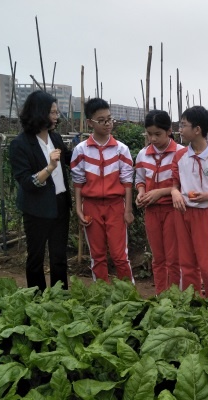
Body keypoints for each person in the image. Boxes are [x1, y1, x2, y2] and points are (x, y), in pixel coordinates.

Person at [9, 90, 72, 292]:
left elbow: (71, 160)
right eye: (52, 112)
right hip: (36, 208)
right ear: (39, 113)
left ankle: (60, 297)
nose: (56, 116)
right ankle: (37, 299)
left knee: (59, 257)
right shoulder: (20, 144)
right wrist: (50, 167)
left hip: (60, 204)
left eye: (56, 112)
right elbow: (27, 182)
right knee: (36, 257)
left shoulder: (55, 138)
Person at [70, 98, 135, 283]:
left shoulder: (121, 149)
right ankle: (101, 293)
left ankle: (128, 293)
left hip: (116, 206)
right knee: (97, 255)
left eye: (109, 119)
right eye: (102, 120)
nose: (108, 124)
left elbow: (127, 181)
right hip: (91, 206)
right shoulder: (80, 150)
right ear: (89, 122)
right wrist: (79, 209)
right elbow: (78, 182)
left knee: (119, 255)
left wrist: (128, 210)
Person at [171, 106, 208, 297]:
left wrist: (206, 196)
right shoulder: (179, 156)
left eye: (183, 125)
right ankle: (191, 301)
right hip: (182, 213)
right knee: (186, 262)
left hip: (204, 215)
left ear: (197, 129)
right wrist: (175, 193)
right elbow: (174, 184)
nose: (180, 129)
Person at [134, 110, 184, 294]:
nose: (153, 138)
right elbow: (140, 179)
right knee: (158, 257)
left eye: (158, 134)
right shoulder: (143, 154)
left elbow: (185, 185)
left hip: (173, 210)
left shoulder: (181, 153)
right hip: (151, 211)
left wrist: (160, 193)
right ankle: (161, 296)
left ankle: (175, 297)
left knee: (173, 258)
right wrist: (141, 193)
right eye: (149, 134)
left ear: (169, 131)